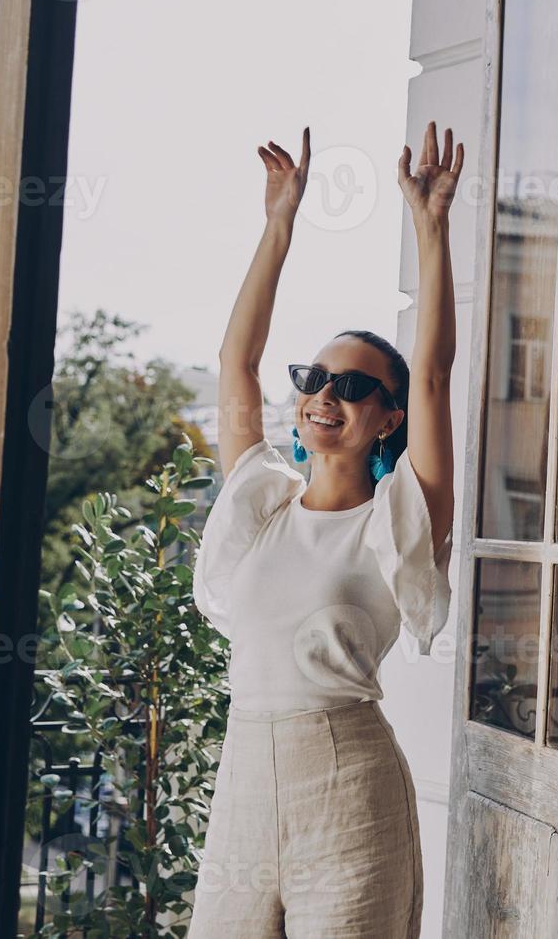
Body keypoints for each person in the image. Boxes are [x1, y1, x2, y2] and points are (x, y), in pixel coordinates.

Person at [188, 122, 464, 938]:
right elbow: (235, 364)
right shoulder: (262, 503)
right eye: (315, 378)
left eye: (353, 384)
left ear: (388, 417)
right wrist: (280, 223)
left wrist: (431, 229)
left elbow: (438, 373)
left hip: (349, 793)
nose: (324, 395)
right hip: (242, 785)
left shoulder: (403, 518)